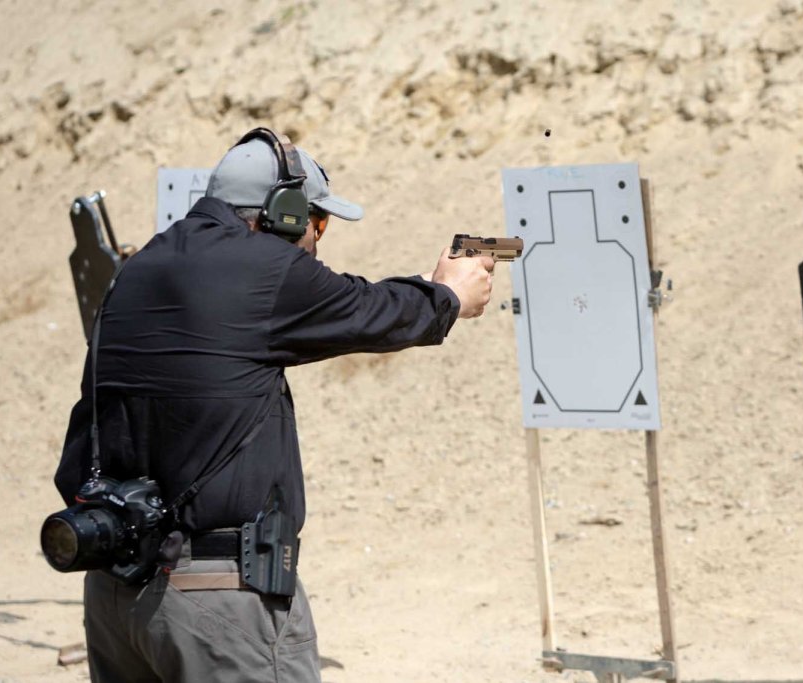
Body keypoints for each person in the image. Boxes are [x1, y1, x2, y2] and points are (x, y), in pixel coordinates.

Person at [52, 129, 494, 682]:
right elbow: (370, 311)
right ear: (282, 212)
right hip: (218, 600)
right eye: (319, 221)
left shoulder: (136, 271)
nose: (317, 239)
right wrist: (447, 295)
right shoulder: (264, 267)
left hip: (115, 590)